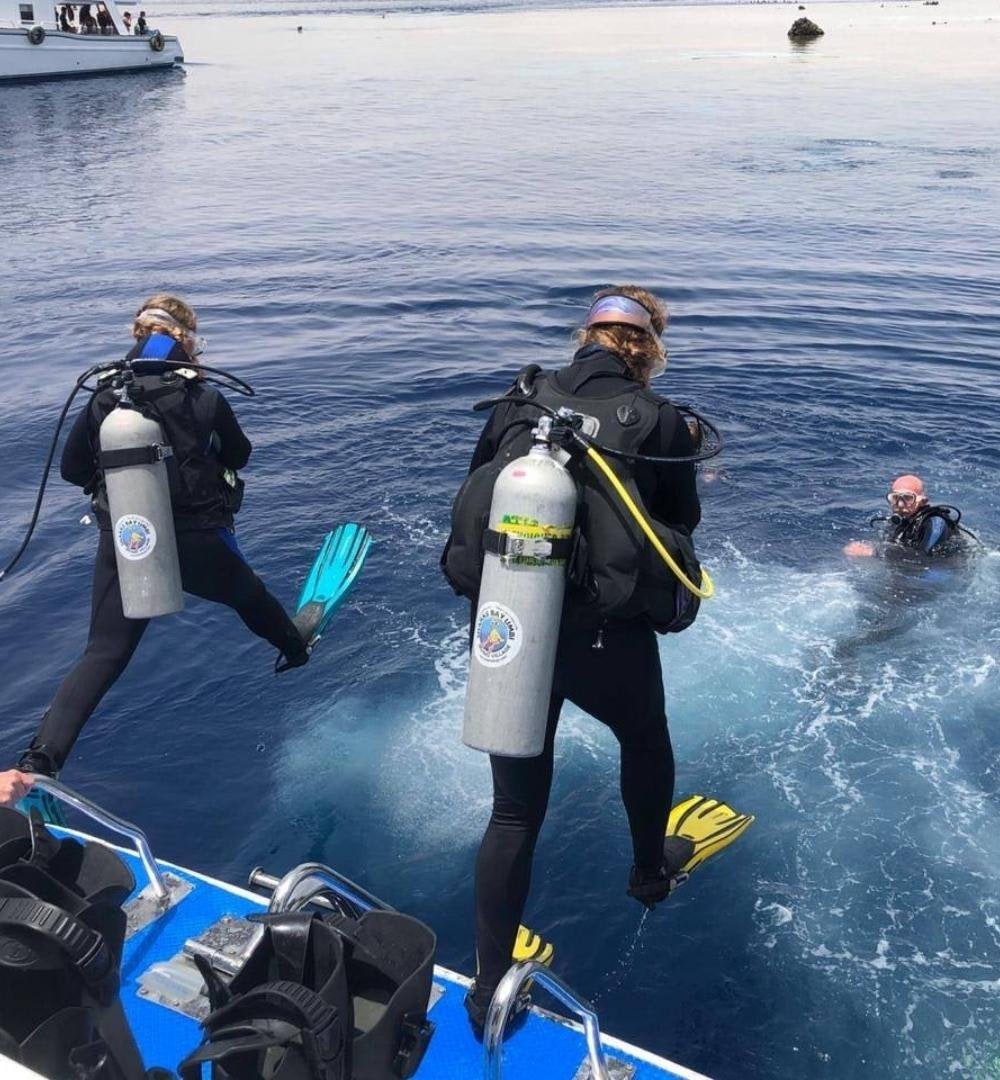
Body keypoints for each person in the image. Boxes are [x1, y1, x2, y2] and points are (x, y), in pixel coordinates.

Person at [442, 286, 703, 1033]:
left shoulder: (518, 400)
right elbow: (680, 522)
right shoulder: (659, 418)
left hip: (510, 626)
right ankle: (649, 870)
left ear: (582, 336)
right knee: (645, 740)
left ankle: (487, 988)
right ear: (649, 348)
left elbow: (476, 488)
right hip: (601, 636)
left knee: (514, 811)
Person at [15, 295, 311, 780]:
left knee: (104, 652)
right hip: (196, 540)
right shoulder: (203, 397)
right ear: (187, 340)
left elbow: (71, 470)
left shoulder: (105, 397)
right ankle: (295, 649)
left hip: (128, 538)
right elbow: (240, 455)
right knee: (250, 596)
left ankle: (39, 762)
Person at [843, 474, 966, 560]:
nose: (900, 504)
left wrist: (874, 551)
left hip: (944, 569)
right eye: (895, 498)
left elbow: (922, 557)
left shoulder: (936, 523)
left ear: (922, 501)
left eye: (907, 498)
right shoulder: (901, 521)